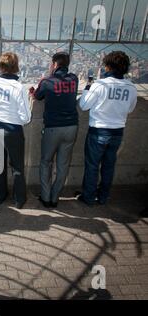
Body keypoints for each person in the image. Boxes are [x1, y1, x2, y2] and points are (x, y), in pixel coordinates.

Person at [78, 51, 137, 206]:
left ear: (108, 66)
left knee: (92, 166)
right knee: (109, 166)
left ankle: (88, 197)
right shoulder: (131, 87)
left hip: (98, 131)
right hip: (117, 132)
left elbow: (84, 105)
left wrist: (87, 87)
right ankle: (103, 197)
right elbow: (130, 109)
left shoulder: (100, 85)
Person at [0, 52, 31, 209]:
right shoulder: (18, 87)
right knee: (17, 167)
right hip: (13, 130)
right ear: (16, 67)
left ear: (1, 66)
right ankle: (19, 199)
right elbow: (25, 118)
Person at [31, 52, 79, 208]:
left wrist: (34, 90)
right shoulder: (74, 79)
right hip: (71, 127)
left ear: (55, 64)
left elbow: (38, 96)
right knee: (63, 165)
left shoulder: (47, 81)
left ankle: (46, 198)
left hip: (53, 128)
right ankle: (55, 197)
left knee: (46, 162)